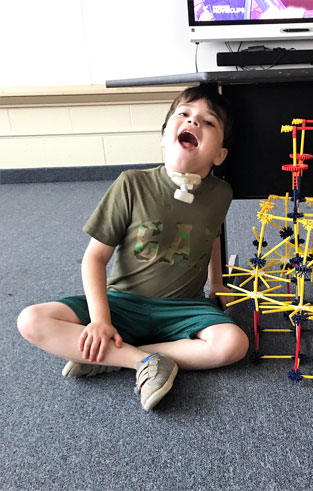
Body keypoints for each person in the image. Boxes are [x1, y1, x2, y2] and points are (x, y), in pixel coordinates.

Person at [17, 86, 249, 411]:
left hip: (183, 307)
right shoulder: (132, 184)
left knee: (233, 344)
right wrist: (99, 320)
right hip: (123, 303)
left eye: (208, 122)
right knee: (32, 319)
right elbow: (94, 259)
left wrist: (218, 283)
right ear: (165, 137)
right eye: (183, 115)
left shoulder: (220, 193)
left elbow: (211, 237)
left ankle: (115, 356)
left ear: (219, 154)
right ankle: (143, 360)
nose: (193, 122)